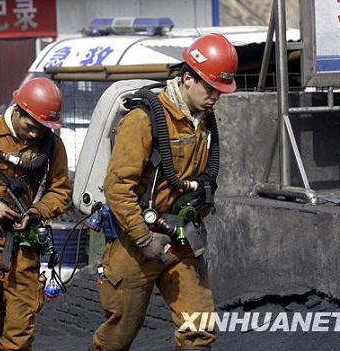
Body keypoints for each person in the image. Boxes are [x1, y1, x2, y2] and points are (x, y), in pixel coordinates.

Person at [92, 33, 238, 350]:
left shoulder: (203, 121)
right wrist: (144, 238)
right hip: (137, 241)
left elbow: (203, 176)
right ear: (188, 78)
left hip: (181, 241)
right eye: (211, 87)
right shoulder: (144, 119)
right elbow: (117, 189)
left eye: (221, 90)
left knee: (198, 330)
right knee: (118, 337)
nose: (216, 96)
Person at [0, 77, 72, 351]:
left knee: (19, 331)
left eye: (43, 128)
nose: (37, 133)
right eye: (32, 125)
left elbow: (61, 191)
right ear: (18, 110)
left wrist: (36, 212)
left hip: (24, 248)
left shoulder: (51, 146)